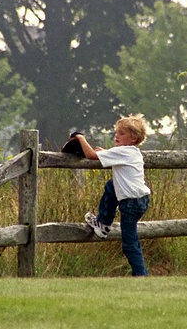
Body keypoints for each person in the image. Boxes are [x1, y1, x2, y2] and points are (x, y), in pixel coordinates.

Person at [72, 114, 151, 276]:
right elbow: (113, 157)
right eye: (116, 132)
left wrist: (80, 137)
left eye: (122, 133)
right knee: (111, 185)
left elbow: (91, 156)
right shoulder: (132, 152)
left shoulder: (122, 152)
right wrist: (107, 152)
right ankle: (103, 223)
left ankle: (141, 276)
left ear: (134, 138)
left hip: (130, 203)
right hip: (141, 200)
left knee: (129, 243)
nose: (116, 135)